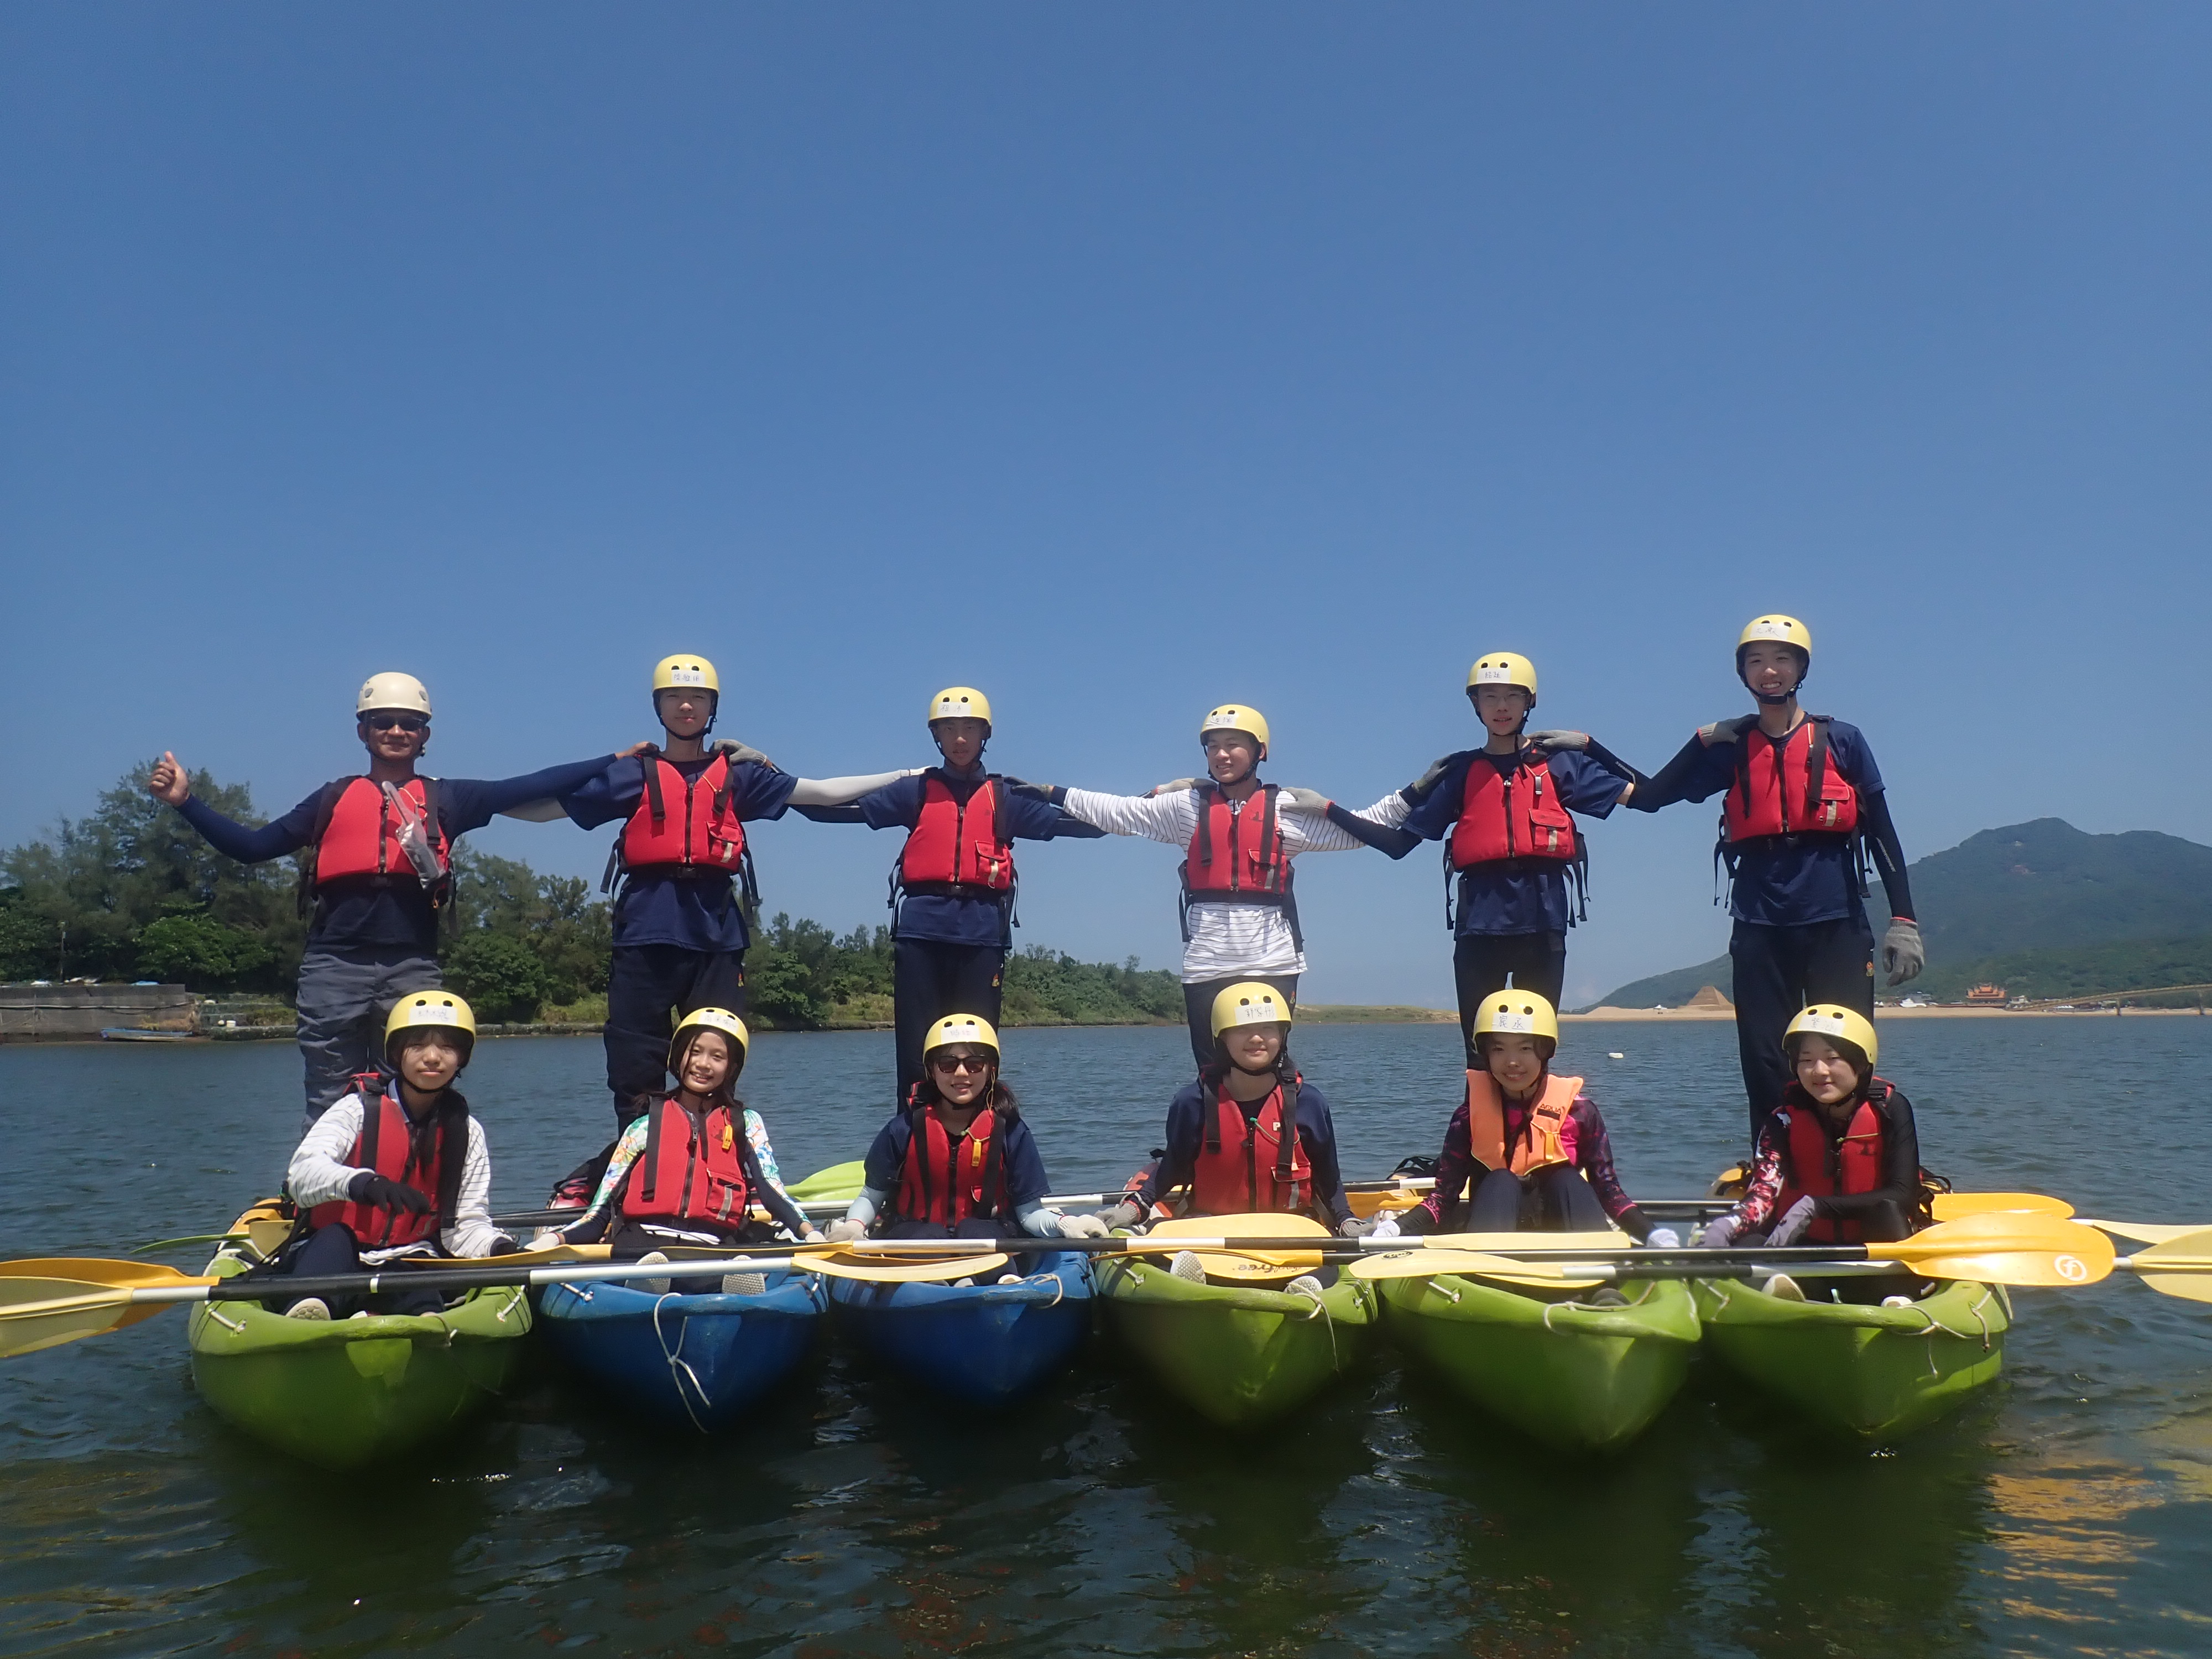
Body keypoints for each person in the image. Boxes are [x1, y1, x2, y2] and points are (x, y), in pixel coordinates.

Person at [148, 672, 623, 1123]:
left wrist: (613, 760)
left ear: (425, 735)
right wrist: (186, 803)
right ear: (363, 731)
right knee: (331, 1096)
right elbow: (251, 848)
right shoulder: (332, 798)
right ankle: (326, 1198)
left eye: (410, 724)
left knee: (412, 1092)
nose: (396, 731)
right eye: (383, 722)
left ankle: (407, 1194)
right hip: (333, 966)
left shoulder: (448, 798)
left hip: (412, 967)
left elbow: (530, 785)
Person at [555, 654, 914, 1127]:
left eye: (698, 698)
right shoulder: (630, 774)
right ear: (658, 707)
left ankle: (715, 1166)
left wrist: (911, 776)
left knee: (717, 1053)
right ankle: (638, 1172)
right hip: (645, 927)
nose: (686, 706)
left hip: (716, 931)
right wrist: (473, 804)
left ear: (712, 708)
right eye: (675, 697)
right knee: (634, 1062)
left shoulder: (740, 773)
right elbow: (548, 805)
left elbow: (823, 793)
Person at [1625, 615, 1924, 1147]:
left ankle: (1856, 1168)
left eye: (1782, 659)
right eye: (1756, 661)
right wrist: (1694, 741)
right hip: (1760, 923)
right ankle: (1775, 1170)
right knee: (1767, 1060)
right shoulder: (1731, 748)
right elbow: (1650, 797)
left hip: (1835, 920)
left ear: (1801, 668)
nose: (1769, 671)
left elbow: (1883, 833)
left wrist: (1904, 919)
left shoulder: (1844, 740)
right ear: (1742, 672)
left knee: (1844, 1050)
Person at [1024, 704, 1408, 1070]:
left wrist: (1415, 792)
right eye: (1213, 747)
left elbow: (1365, 829)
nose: (1221, 755)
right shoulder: (1185, 808)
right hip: (1207, 964)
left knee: (1268, 1069)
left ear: (1260, 751)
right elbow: (1120, 812)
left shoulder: (1288, 809)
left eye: (1232, 745)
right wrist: (1053, 793)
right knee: (1213, 1073)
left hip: (1273, 962)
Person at [1323, 652, 1642, 1061]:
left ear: (1531, 702)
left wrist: (1591, 746)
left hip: (1542, 922)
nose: (1502, 707)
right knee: (1479, 1053)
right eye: (1490, 697)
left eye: (1512, 696)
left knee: (1536, 1050)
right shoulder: (1460, 772)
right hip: (1479, 928)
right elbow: (1398, 845)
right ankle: (1478, 1127)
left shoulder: (1560, 764)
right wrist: (1329, 809)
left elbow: (1648, 798)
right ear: (1476, 705)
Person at [795, 686, 1103, 1105]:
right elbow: (825, 808)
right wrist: (769, 778)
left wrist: (1152, 802)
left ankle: (981, 1142)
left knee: (976, 1049)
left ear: (984, 736)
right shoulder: (915, 791)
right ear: (936, 736)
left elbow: (1086, 823)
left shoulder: (1006, 797)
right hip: (921, 935)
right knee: (917, 1051)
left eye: (970, 728)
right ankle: (913, 1142)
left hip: (981, 936)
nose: (960, 738)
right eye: (950, 729)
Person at [269, 991, 513, 1320]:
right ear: (397, 1053)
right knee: (334, 1240)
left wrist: (500, 1249)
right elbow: (302, 1176)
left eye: (447, 1047)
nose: (432, 1057)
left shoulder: (467, 1132)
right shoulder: (356, 1109)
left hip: (411, 1257)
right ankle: (312, 1314)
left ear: (462, 1058)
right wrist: (362, 1183)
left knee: (416, 1279)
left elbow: (464, 1227)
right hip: (338, 1252)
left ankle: (425, 1324)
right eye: (418, 1045)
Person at [1386, 989, 1675, 1245]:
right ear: (1485, 1055)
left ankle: (1601, 1283)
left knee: (1566, 1179)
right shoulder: (1467, 1118)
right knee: (1501, 1180)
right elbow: (1444, 1199)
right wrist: (1397, 1229)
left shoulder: (1581, 1114)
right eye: (1498, 1049)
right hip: (1494, 1237)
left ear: (1545, 1052)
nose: (1512, 1062)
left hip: (1563, 1243)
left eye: (1525, 1048)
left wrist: (1650, 1233)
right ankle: (1491, 1283)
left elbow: (1609, 1191)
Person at [550, 1008, 822, 1263]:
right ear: (679, 1055)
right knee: (651, 1262)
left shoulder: (746, 1124)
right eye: (696, 1052)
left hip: (711, 1245)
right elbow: (600, 1212)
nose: (704, 1064)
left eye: (718, 1057)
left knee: (737, 1254)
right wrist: (556, 1238)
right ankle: (651, 1283)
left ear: (731, 1068)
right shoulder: (643, 1126)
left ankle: (728, 1282)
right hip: (643, 1244)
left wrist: (810, 1233)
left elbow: (772, 1191)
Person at [1099, 982, 1369, 1239]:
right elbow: (1173, 1166)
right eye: (1242, 1029)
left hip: (1291, 1234)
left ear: (1282, 1035)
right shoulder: (1191, 1102)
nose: (1256, 1038)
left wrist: (1346, 1219)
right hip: (1210, 1232)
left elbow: (1329, 1177)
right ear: (1223, 1038)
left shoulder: (1309, 1103)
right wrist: (1137, 1206)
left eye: (1267, 1028)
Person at [1694, 1004, 1926, 1303]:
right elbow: (1764, 1192)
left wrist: (1818, 1207)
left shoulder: (1892, 1110)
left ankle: (1896, 1299)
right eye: (1806, 1060)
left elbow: (1903, 1194)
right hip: (1805, 1252)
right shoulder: (1783, 1120)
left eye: (1832, 1059)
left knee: (1888, 1210)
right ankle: (1792, 1298)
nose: (1818, 1071)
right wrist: (1729, 1225)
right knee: (1749, 1241)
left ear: (1861, 1063)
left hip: (1873, 1254)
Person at [825, 1014, 1112, 1241]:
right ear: (931, 1070)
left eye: (975, 1063)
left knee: (977, 1230)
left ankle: (990, 1287)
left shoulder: (1012, 1133)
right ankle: (937, 1286)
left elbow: (1029, 1214)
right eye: (948, 1064)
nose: (961, 1073)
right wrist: (853, 1227)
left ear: (991, 1070)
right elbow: (870, 1197)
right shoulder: (902, 1131)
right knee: (928, 1234)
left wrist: (1066, 1223)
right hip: (916, 1242)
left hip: (988, 1241)